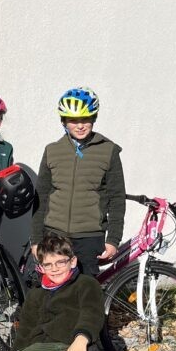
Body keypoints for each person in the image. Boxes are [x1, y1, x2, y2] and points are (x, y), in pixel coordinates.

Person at [30, 87, 125, 277]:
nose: (80, 126)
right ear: (64, 121)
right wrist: (35, 239)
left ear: (94, 118)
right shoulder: (52, 150)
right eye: (73, 120)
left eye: (86, 119)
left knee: (84, 294)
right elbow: (41, 197)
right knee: (51, 292)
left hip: (89, 237)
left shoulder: (109, 151)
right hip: (53, 235)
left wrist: (113, 239)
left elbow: (116, 198)